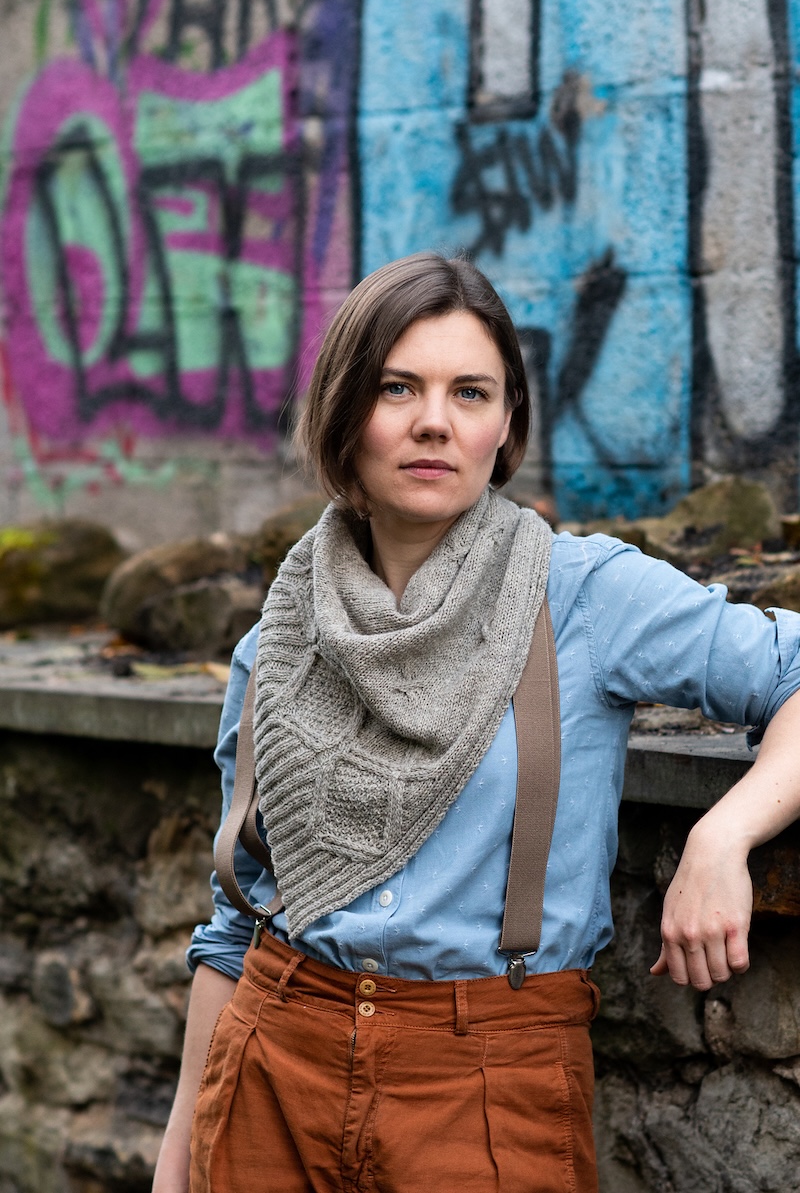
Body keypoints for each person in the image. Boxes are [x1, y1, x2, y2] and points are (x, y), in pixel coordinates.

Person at [153, 253, 800, 1193]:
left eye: (471, 391)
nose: (433, 420)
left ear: (505, 427)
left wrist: (725, 832)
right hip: (268, 1067)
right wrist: (179, 1159)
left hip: (488, 1083)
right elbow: (235, 918)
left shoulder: (583, 595)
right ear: (345, 413)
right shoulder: (281, 637)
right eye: (397, 386)